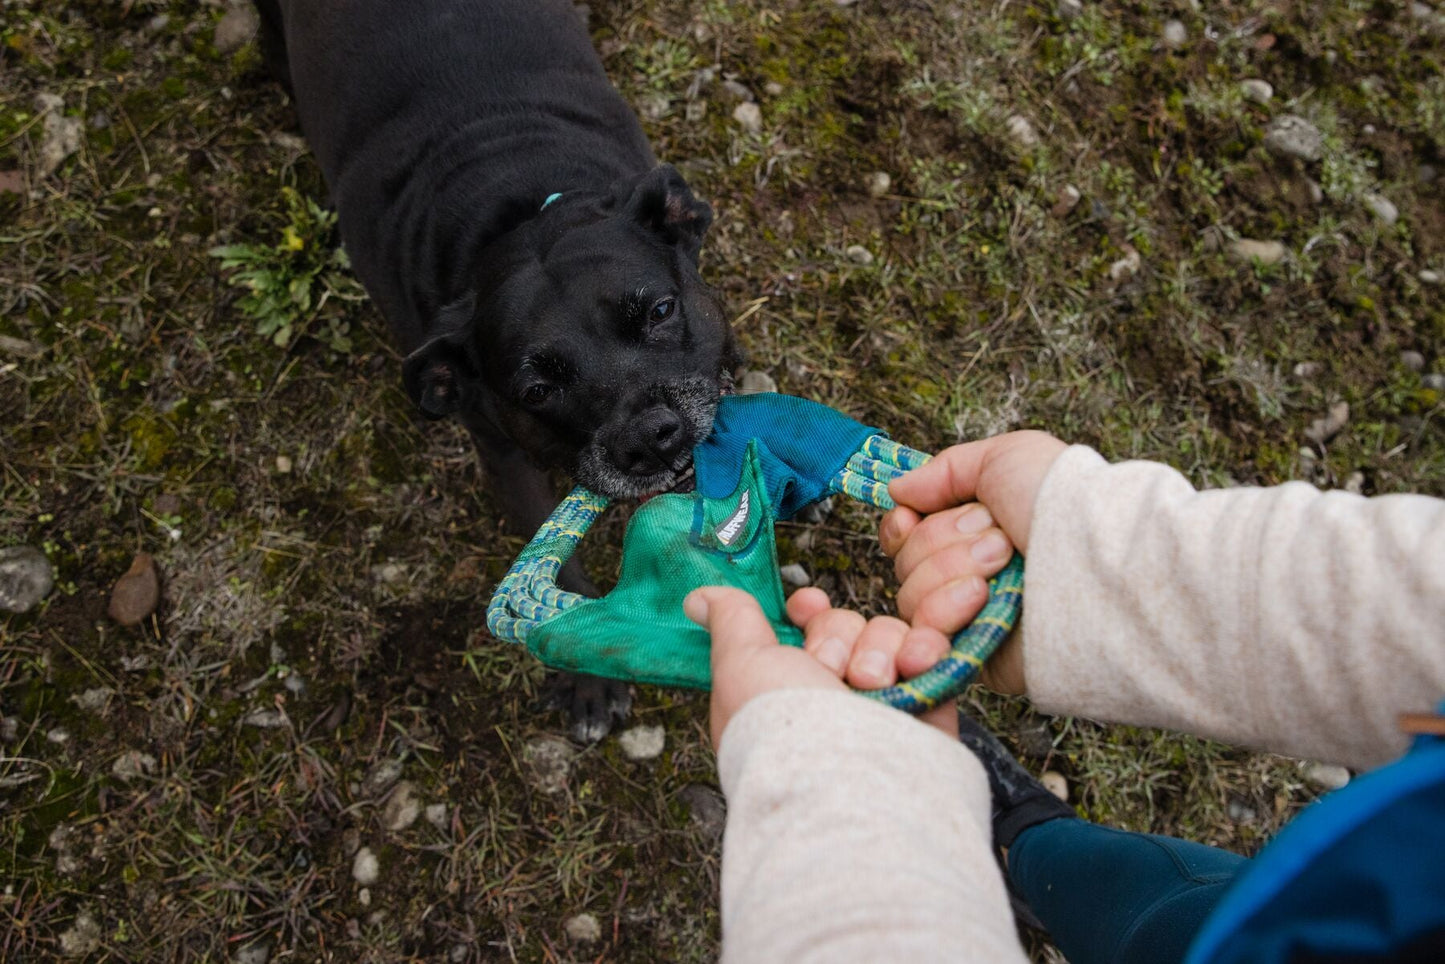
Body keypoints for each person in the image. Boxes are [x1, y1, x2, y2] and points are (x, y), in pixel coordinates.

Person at [683, 430, 1445, 963]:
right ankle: (1023, 837)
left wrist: (849, 795)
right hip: (1334, 912)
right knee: (1151, 906)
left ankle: (1015, 836)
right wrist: (1097, 560)